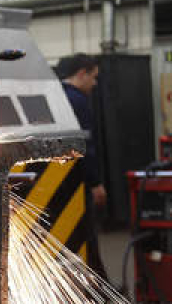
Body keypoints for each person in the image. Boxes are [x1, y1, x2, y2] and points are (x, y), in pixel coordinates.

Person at [58, 53, 108, 278]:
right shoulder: (77, 100)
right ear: (81, 74)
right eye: (93, 77)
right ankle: (97, 287)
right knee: (86, 235)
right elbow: (85, 147)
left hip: (59, 184)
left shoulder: (56, 96)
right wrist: (96, 183)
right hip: (77, 183)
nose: (95, 83)